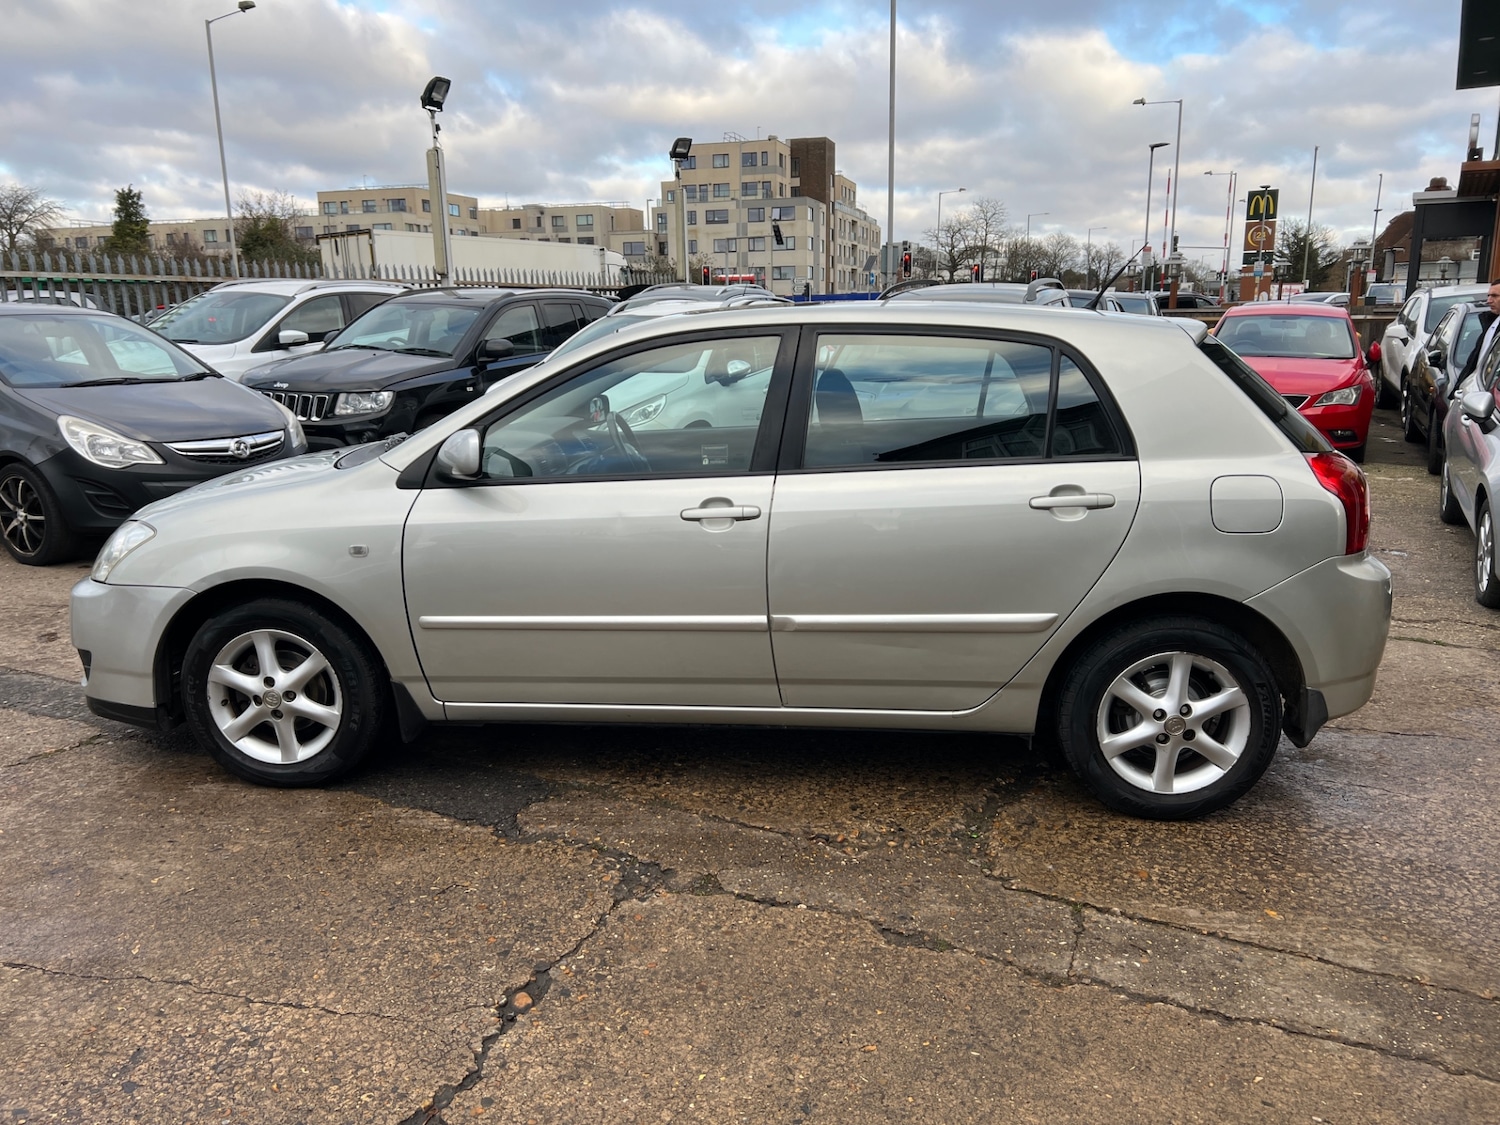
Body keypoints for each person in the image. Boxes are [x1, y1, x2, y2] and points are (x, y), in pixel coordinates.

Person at [1457, 277, 1500, 384]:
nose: (1489, 301)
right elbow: (1474, 363)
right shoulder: (1490, 323)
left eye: (1494, 296)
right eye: (1488, 296)